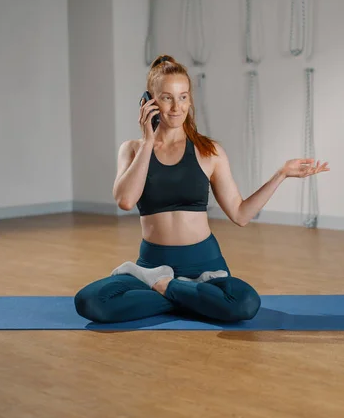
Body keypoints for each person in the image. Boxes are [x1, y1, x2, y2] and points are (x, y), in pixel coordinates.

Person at [74, 55, 329, 324]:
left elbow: (241, 215)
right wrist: (149, 140)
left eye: (183, 97)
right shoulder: (133, 149)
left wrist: (281, 174)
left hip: (205, 266)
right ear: (149, 101)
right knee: (90, 301)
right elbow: (126, 201)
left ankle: (166, 289)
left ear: (190, 100)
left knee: (245, 304)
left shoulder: (210, 151)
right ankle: (188, 296)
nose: (176, 107)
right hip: (152, 265)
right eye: (167, 97)